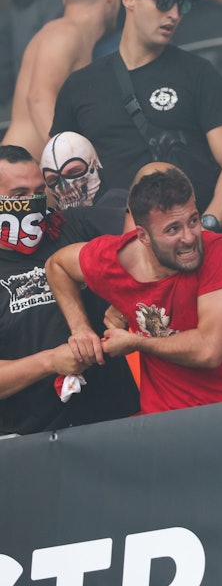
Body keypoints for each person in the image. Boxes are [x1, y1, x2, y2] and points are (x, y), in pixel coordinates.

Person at [45, 166, 222, 412]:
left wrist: (136, 342)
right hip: (167, 420)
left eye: (193, 221)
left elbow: (210, 350)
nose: (189, 237)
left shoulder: (219, 251)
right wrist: (81, 329)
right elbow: (57, 265)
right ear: (143, 236)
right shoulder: (114, 259)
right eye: (173, 229)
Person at [50, 0, 222, 227]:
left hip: (190, 240)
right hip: (118, 244)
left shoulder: (199, 72)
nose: (175, 14)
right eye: (164, 1)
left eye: (184, 5)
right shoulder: (80, 85)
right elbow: (56, 175)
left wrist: (206, 227)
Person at [0, 145, 139, 436]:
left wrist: (126, 293)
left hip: (119, 418)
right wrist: (49, 361)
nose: (33, 202)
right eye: (19, 195)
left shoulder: (69, 226)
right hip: (36, 440)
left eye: (39, 191)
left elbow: (143, 219)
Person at [2, 0, 120, 158]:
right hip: (15, 185)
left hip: (38, 182)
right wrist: (67, 158)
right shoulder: (64, 32)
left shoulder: (75, 38)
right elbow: (38, 97)